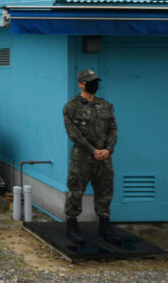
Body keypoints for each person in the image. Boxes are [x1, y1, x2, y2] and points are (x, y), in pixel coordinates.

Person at [62, 69, 119, 244]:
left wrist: (108, 149)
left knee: (105, 191)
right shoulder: (71, 107)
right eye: (90, 82)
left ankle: (104, 226)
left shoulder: (105, 105)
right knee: (76, 191)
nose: (95, 85)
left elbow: (113, 129)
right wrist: (92, 150)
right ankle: (72, 225)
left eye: (96, 81)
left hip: (104, 157)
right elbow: (74, 134)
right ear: (81, 84)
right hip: (82, 157)